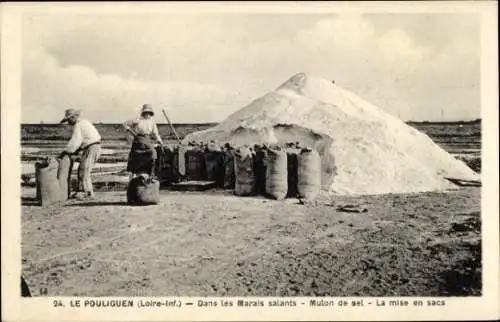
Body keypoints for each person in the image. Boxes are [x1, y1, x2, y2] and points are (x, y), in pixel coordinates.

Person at [59, 108, 101, 200]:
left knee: (84, 170)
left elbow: (75, 141)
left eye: (69, 120)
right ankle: (87, 192)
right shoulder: (84, 122)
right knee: (83, 169)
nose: (68, 122)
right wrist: (75, 150)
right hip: (94, 146)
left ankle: (85, 193)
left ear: (73, 117)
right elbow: (82, 141)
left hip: (92, 147)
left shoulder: (79, 125)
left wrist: (66, 151)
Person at [123, 104, 164, 180]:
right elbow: (125, 124)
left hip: (147, 140)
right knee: (134, 159)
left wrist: (160, 141)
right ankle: (131, 180)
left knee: (153, 154)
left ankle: (150, 176)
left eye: (149, 112)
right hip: (137, 140)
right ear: (143, 112)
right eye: (146, 112)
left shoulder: (152, 122)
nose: (147, 114)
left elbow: (155, 133)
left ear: (151, 113)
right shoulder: (137, 119)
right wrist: (131, 131)